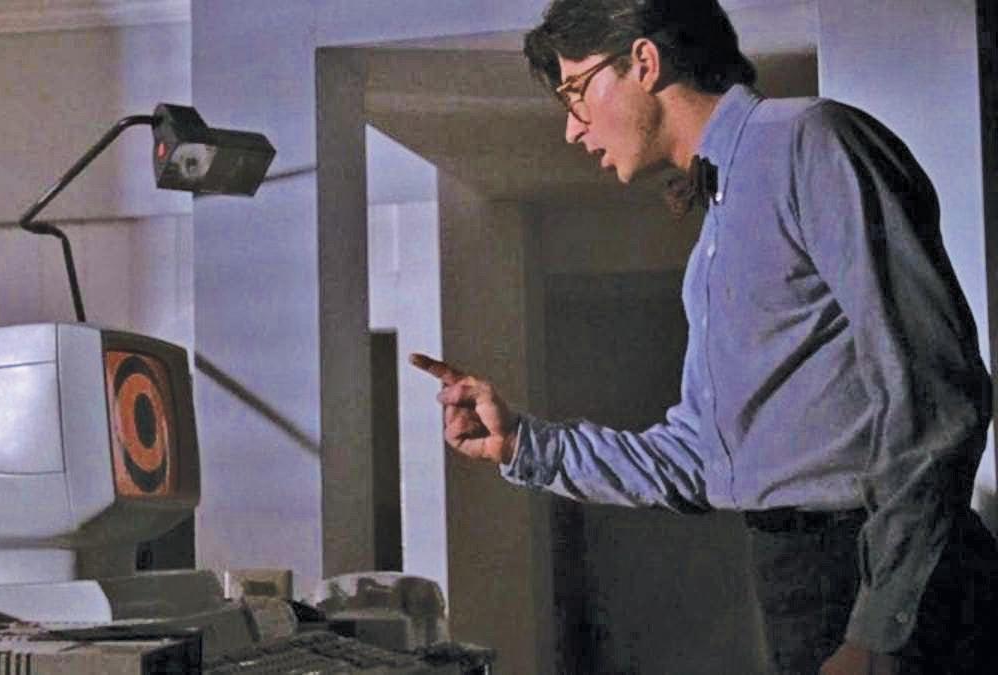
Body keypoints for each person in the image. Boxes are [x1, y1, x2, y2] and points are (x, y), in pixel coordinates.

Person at [410, 1, 998, 673]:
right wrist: (521, 441)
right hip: (802, 576)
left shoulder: (810, 142)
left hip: (889, 585)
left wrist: (880, 629)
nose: (571, 128)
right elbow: (698, 457)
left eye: (575, 91)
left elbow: (934, 395)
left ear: (644, 61)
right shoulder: (717, 228)